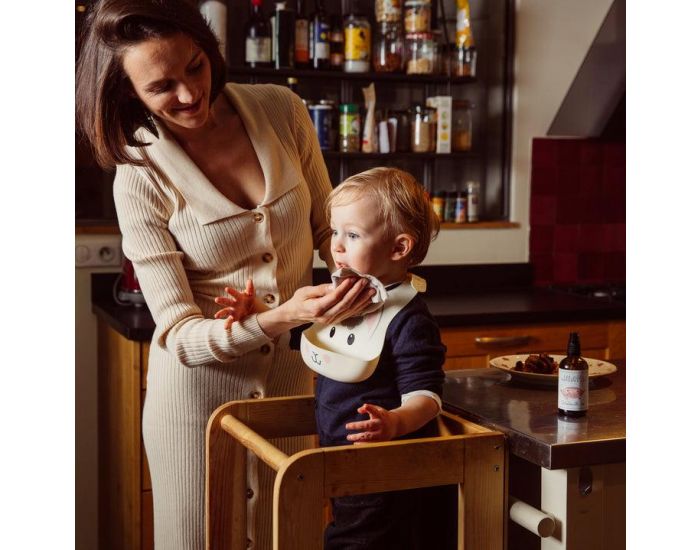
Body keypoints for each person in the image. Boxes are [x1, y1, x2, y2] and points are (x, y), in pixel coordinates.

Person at [75, 1, 374, 549]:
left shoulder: (282, 110)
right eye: (162, 86)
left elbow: (332, 229)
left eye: (195, 66)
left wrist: (357, 275)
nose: (190, 94)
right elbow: (178, 334)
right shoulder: (138, 176)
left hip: (293, 389)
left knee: (293, 536)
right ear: (128, 94)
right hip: (196, 413)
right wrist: (280, 316)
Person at [216, 167, 456, 549]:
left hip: (381, 465)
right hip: (337, 456)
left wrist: (393, 423)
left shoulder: (409, 320)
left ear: (399, 248)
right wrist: (256, 310)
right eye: (335, 231)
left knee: (356, 541)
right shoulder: (347, 296)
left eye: (353, 234)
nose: (337, 246)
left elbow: (427, 398)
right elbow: (305, 334)